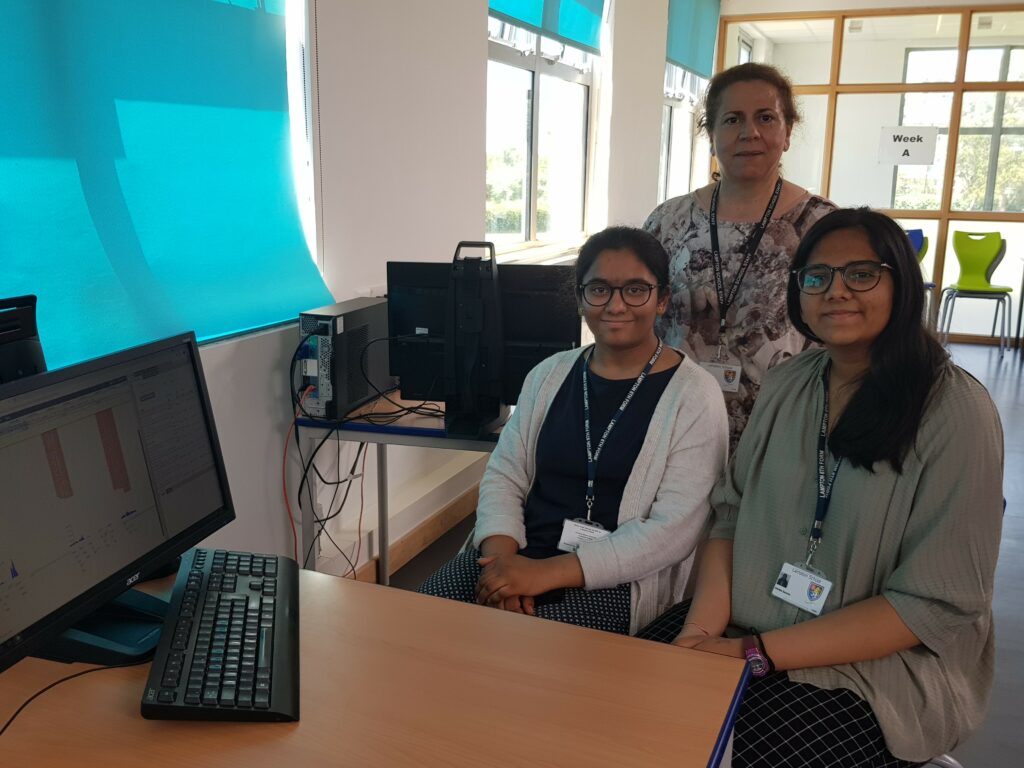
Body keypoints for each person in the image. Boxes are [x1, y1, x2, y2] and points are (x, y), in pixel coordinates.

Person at [638, 208, 1004, 766]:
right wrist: (700, 632)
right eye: (817, 277)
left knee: (717, 751)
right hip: (746, 622)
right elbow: (731, 514)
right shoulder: (789, 382)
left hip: (871, 671)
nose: (836, 291)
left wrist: (751, 654)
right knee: (620, 704)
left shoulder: (955, 411)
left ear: (901, 283)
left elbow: (933, 602)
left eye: (861, 274)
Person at [417, 226, 728, 636]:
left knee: (526, 649)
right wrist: (502, 566)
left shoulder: (695, 396)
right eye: (599, 289)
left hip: (613, 577)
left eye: (635, 289)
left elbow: (671, 532)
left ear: (663, 299)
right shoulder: (549, 375)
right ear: (581, 298)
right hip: (516, 551)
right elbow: (504, 475)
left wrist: (544, 575)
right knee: (418, 620)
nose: (616, 305)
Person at [644, 63, 836, 451]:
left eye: (766, 117)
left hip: (785, 430)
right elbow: (641, 315)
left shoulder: (823, 224)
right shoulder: (669, 221)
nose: (750, 133)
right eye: (732, 120)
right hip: (674, 424)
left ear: (787, 132)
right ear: (711, 134)